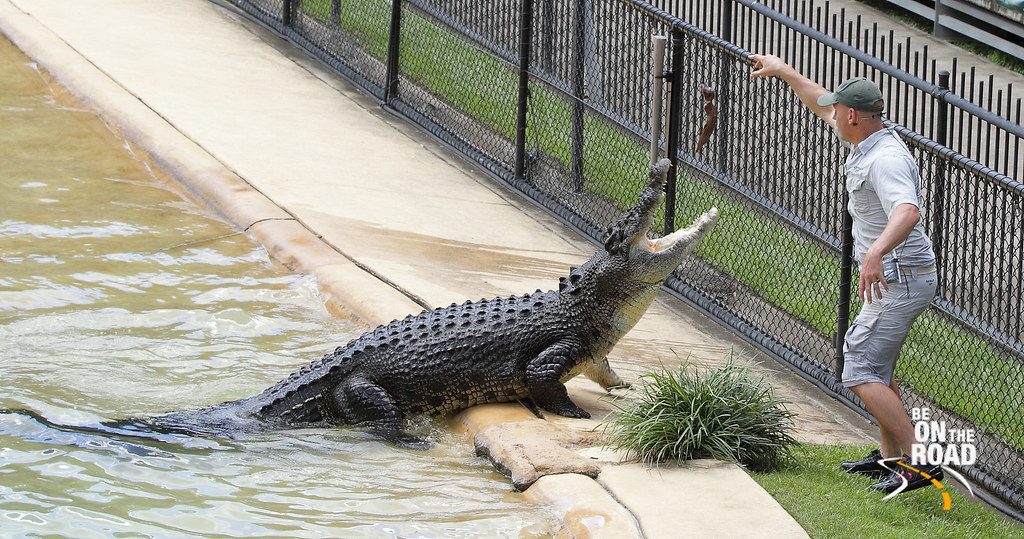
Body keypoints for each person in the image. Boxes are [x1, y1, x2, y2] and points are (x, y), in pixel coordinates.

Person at [749, 54, 941, 494]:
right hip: (897, 272)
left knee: (857, 367)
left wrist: (874, 252)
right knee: (879, 367)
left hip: (900, 275)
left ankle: (920, 464)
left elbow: (908, 211)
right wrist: (783, 70)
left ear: (851, 116)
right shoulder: (866, 138)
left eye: (838, 110)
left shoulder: (885, 160)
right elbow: (820, 102)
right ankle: (892, 459)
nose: (830, 113)